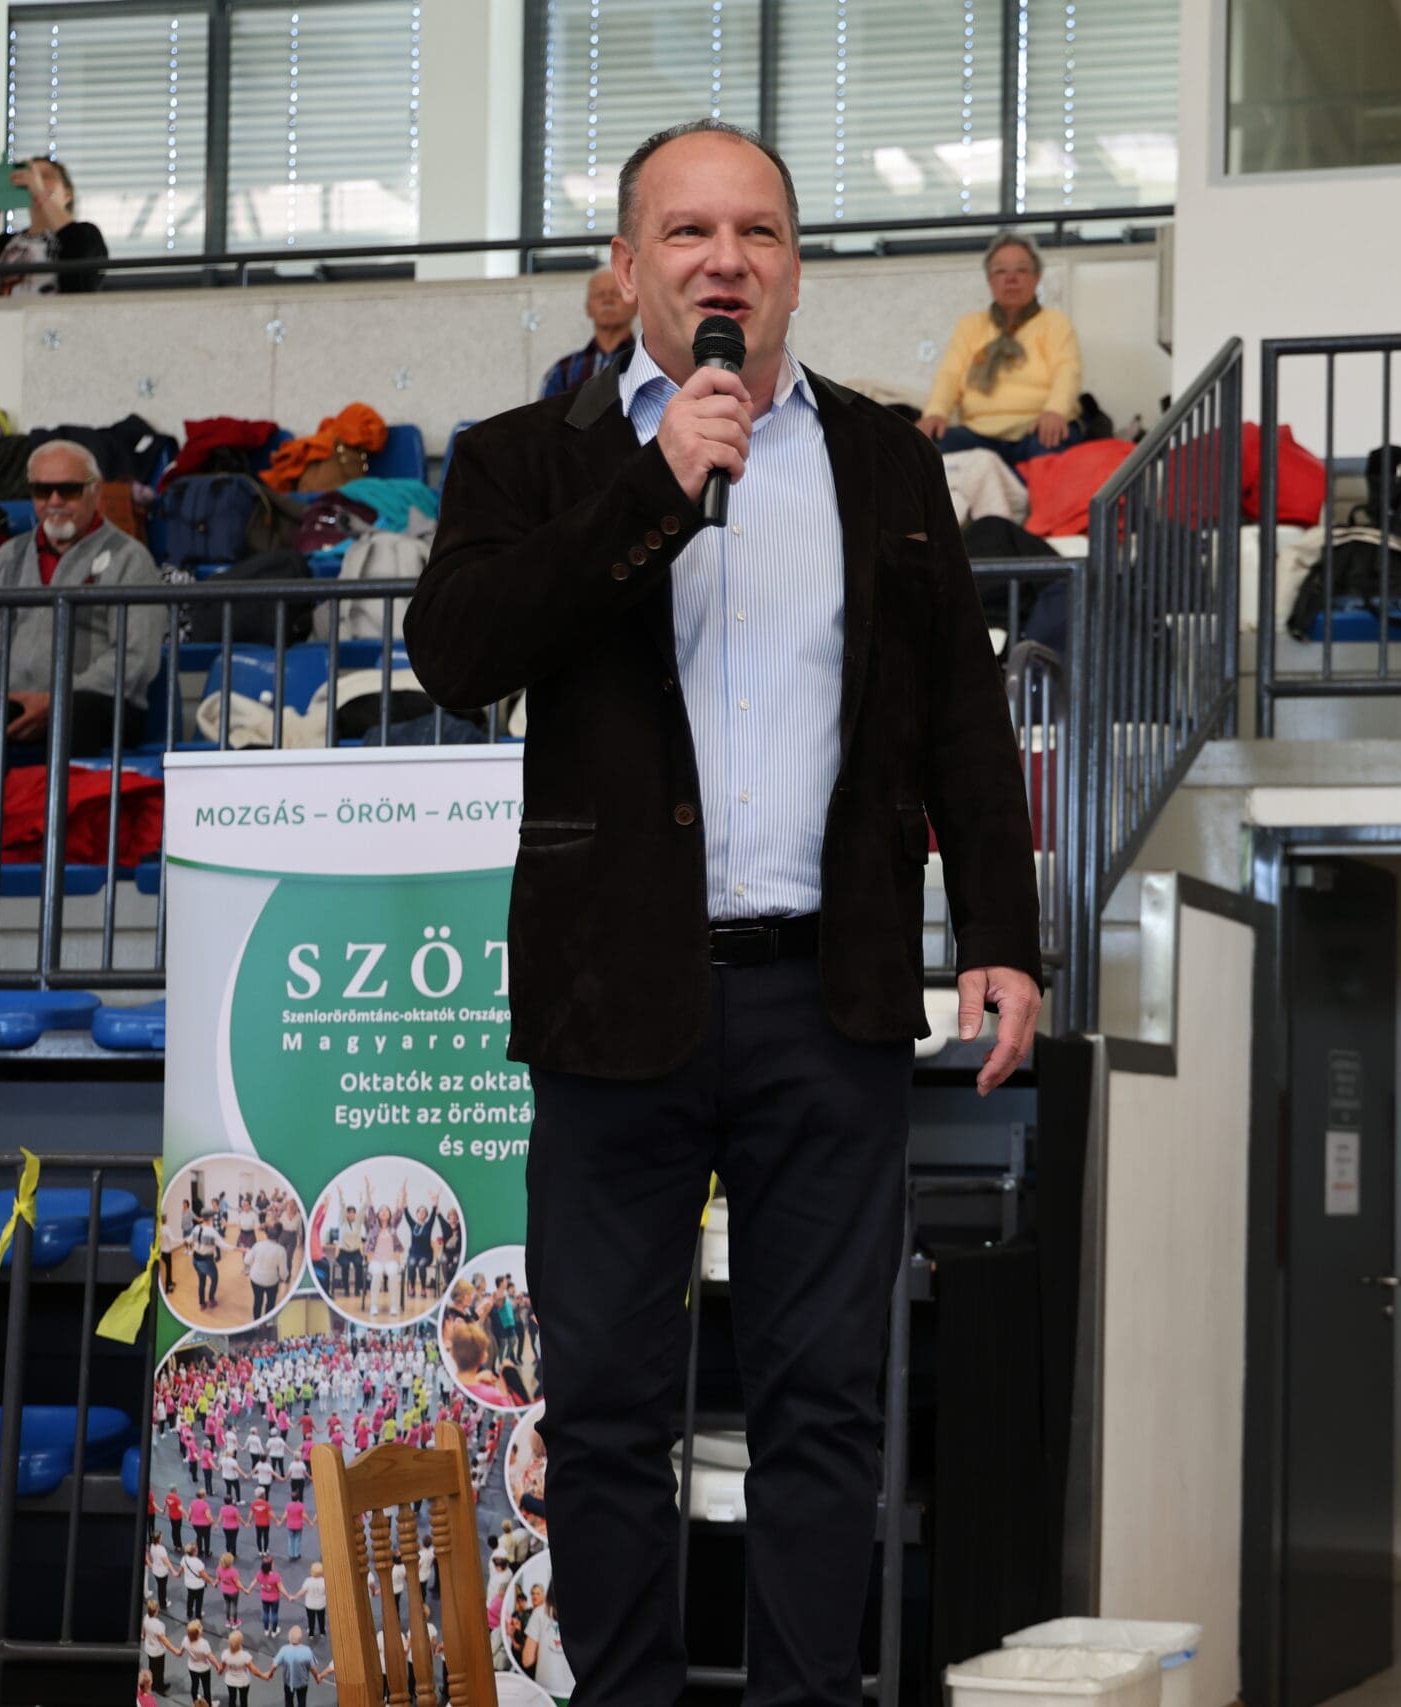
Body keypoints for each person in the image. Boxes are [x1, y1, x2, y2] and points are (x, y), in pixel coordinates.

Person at [406, 118, 1042, 1707]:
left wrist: (1001, 932)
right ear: (629, 269)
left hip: (826, 998)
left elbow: (960, 715)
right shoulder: (530, 455)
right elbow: (460, 651)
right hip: (611, 998)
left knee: (824, 1405)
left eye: (757, 232)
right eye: (687, 233)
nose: (725, 261)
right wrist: (658, 483)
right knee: (607, 1409)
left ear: (796, 269)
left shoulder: (886, 458)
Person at [0, 439, 164, 754]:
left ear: (96, 491)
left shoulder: (130, 558)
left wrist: (55, 700)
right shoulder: (9, 555)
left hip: (97, 706)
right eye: (42, 491)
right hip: (12, 703)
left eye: (69, 490)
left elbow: (135, 659)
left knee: (72, 714)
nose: (54, 501)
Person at [917, 233, 1083, 465]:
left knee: (1050, 448)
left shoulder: (1055, 322)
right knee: (927, 450)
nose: (1011, 279)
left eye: (1021, 270)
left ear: (1036, 277)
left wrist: (1055, 411)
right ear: (989, 280)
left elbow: (1067, 370)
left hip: (1036, 428)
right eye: (1001, 271)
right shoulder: (971, 325)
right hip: (978, 432)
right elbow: (949, 375)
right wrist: (935, 413)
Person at [0, 156, 108, 296]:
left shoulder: (87, 234)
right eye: (30, 175)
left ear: (67, 195)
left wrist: (40, 192)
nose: (34, 181)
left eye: (45, 176)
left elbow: (82, 272)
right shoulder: (8, 241)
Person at [542, 267, 639, 399]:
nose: (607, 300)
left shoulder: (651, 363)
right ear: (588, 308)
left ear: (636, 305)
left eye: (616, 293)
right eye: (599, 294)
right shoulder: (562, 371)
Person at [268, 1626, 327, 1707]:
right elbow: (313, 1668)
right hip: (302, 1683)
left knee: (288, 1701)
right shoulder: (307, 1651)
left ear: (289, 1637)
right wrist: (317, 1677)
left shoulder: (284, 1650)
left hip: (288, 1682)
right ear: (300, 1638)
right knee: (302, 1701)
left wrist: (270, 1674)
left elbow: (274, 1665)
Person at [244, 1231, 289, 1324]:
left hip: (256, 1279)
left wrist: (248, 1252)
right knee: (271, 1303)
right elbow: (283, 1273)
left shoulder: (257, 1245)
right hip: (271, 1281)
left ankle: (256, 1323)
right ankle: (267, 1323)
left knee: (257, 1301)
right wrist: (284, 1278)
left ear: (266, 1234)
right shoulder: (281, 1250)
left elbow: (247, 1261)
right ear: (279, 1236)